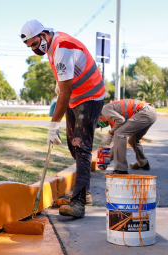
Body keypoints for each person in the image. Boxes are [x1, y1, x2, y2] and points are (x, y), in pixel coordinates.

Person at [21, 20, 105, 218]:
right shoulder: (51, 48)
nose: (34, 49)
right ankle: (84, 192)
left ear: (43, 34)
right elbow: (65, 83)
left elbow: (64, 94)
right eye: (30, 47)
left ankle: (78, 202)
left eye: (34, 44)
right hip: (77, 98)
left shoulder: (62, 47)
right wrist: (61, 84)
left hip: (91, 96)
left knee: (82, 145)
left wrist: (53, 125)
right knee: (72, 145)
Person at [98, 99, 157, 174]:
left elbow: (121, 121)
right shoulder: (112, 119)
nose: (102, 126)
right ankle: (143, 163)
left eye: (99, 123)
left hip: (144, 112)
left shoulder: (105, 110)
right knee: (133, 139)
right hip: (151, 113)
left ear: (99, 117)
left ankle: (120, 169)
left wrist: (110, 133)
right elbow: (118, 144)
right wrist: (105, 161)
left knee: (119, 134)